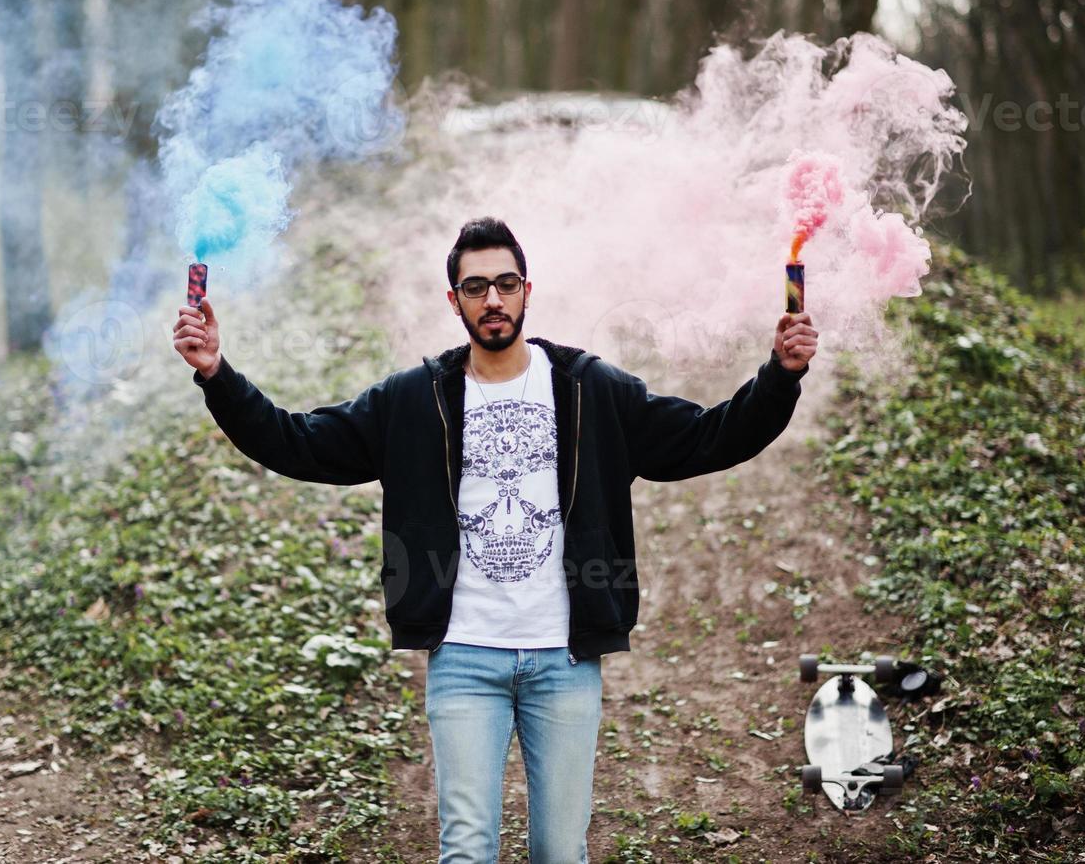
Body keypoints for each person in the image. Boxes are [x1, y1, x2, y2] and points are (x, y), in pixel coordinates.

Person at [172, 217, 818, 864]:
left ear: (526, 290)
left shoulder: (592, 390)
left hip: (563, 663)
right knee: (466, 850)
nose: (492, 300)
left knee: (559, 852)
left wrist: (779, 375)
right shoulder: (410, 401)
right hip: (463, 661)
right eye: (475, 287)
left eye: (505, 283)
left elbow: (708, 437)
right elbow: (299, 442)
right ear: (453, 300)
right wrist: (217, 375)